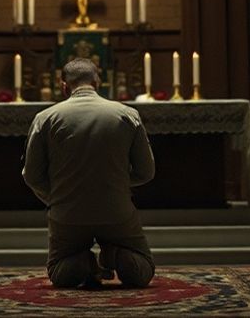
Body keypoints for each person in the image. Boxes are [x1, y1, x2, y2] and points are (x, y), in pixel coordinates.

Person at [22, 58, 156, 288]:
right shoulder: (127, 114)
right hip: (116, 211)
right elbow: (146, 171)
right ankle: (114, 255)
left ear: (64, 86)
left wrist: (56, 198)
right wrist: (119, 184)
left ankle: (85, 263)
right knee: (142, 271)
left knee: (58, 272)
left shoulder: (45, 118)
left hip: (67, 214)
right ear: (98, 81)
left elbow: (32, 175)